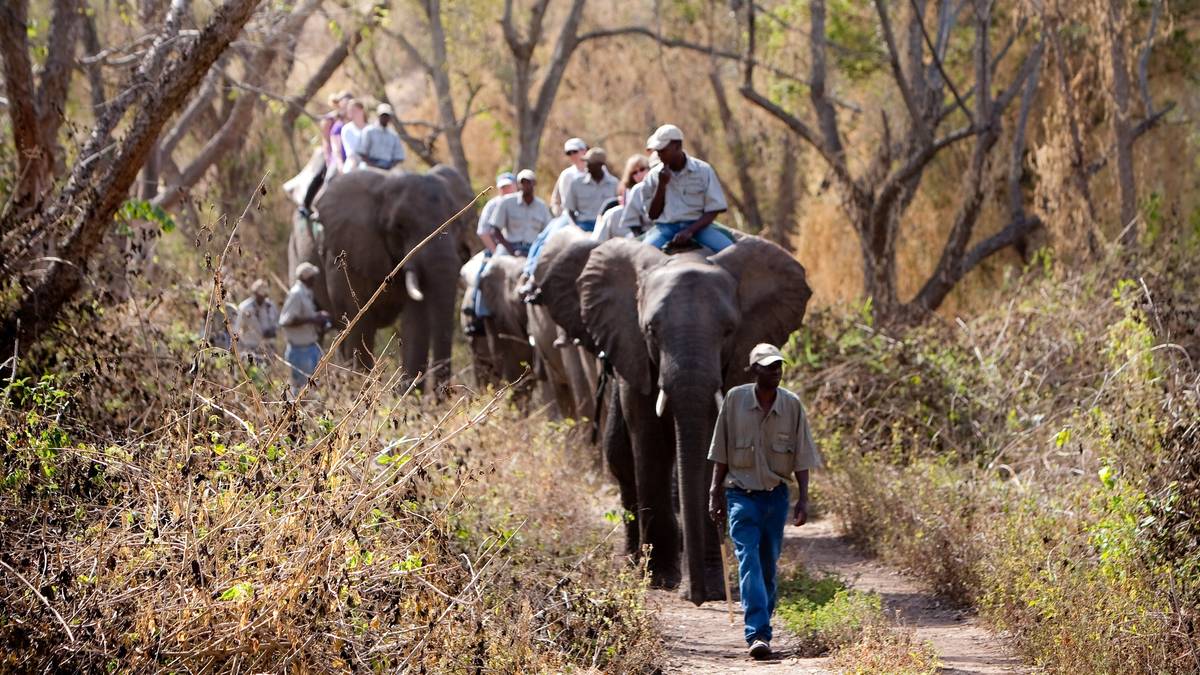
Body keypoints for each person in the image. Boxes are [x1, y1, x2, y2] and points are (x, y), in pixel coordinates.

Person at [708, 343, 821, 660]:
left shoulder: (792, 405)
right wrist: (714, 493)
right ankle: (757, 633)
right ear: (754, 369)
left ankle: (762, 621)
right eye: (769, 366)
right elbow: (721, 451)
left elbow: (801, 456)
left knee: (768, 566)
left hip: (776, 497)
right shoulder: (735, 400)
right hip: (740, 495)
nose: (776, 372)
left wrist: (803, 500)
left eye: (779, 366)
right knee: (749, 561)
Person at [641, 124, 734, 252]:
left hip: (699, 228)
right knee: (642, 255)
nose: (659, 155)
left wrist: (690, 230)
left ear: (677, 146)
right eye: (658, 151)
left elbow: (715, 208)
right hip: (665, 229)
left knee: (731, 252)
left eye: (663, 150)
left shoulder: (703, 170)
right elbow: (653, 215)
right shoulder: (653, 176)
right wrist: (662, 185)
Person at [463, 172, 518, 336]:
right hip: (497, 249)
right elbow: (483, 232)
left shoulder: (522, 203)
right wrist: (495, 251)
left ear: (515, 186)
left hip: (521, 249)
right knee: (483, 274)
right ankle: (478, 313)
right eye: (503, 187)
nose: (506, 190)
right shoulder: (493, 205)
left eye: (509, 186)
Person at [279, 262, 331, 396]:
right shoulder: (296, 294)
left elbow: (304, 316)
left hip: (311, 348)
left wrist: (318, 316)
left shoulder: (306, 293)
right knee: (300, 392)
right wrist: (313, 320)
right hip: (300, 351)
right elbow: (286, 321)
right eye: (312, 276)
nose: (315, 279)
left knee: (313, 391)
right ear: (306, 277)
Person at [489, 169, 551, 257]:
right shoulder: (507, 202)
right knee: (493, 265)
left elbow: (548, 231)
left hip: (533, 249)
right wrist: (511, 250)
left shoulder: (542, 206)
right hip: (509, 247)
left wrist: (538, 248)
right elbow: (495, 229)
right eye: (522, 182)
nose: (525, 185)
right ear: (518, 184)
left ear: (534, 183)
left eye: (528, 182)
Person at [594, 153, 651, 242]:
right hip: (633, 227)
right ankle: (596, 244)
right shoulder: (629, 190)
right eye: (634, 173)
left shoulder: (656, 184)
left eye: (642, 169)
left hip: (649, 227)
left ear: (648, 168)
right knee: (611, 213)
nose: (639, 174)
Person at [561, 147, 618, 233]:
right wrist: (575, 228)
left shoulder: (614, 184)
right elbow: (570, 210)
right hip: (584, 225)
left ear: (600, 165)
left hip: (606, 225)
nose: (586, 165)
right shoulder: (577, 183)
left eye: (590, 163)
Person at [234, 279, 279, 365]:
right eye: (260, 295)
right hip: (250, 348)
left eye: (264, 295)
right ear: (255, 293)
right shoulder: (245, 307)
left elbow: (277, 323)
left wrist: (272, 331)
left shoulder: (270, 306)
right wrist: (239, 350)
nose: (262, 298)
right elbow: (236, 329)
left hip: (268, 349)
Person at [356, 103, 408, 170]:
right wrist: (372, 165)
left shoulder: (393, 135)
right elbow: (361, 152)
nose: (385, 118)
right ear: (378, 115)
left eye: (387, 116)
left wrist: (390, 166)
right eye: (383, 115)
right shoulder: (369, 131)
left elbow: (399, 156)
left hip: (388, 166)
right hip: (370, 165)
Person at [549, 137, 588, 217]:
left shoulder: (597, 171)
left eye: (575, 151)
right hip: (568, 216)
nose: (572, 155)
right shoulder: (566, 174)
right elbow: (555, 200)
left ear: (584, 150)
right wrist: (558, 214)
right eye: (569, 153)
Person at [339, 99, 369, 172]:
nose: (352, 113)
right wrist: (354, 165)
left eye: (355, 110)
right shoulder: (347, 129)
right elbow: (350, 151)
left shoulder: (371, 128)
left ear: (362, 110)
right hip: (354, 160)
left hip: (371, 159)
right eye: (350, 111)